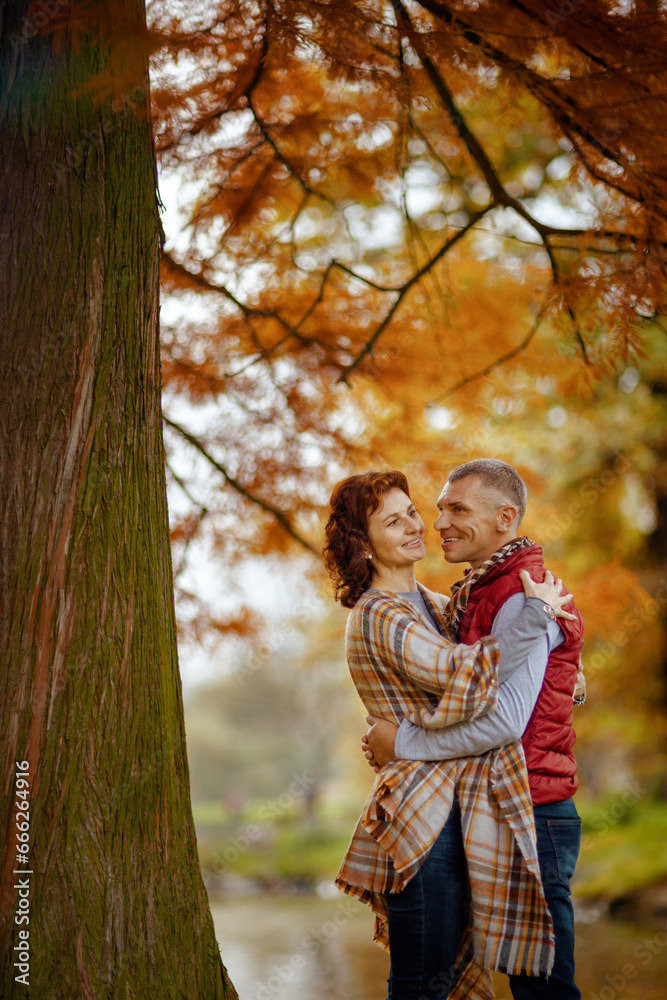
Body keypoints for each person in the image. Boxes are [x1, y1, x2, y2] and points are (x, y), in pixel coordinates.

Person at [324, 469, 576, 1000]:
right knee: (422, 987)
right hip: (420, 814)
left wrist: (561, 674)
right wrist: (539, 616)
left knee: (457, 980)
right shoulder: (378, 613)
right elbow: (460, 670)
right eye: (393, 522)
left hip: (460, 810)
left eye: (411, 511)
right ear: (364, 546)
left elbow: (495, 660)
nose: (420, 525)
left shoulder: (434, 604)